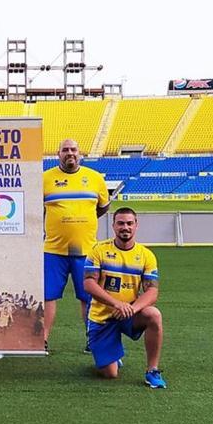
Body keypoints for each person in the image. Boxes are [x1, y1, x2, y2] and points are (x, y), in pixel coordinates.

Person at [82, 207, 167, 389]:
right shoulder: (98, 250)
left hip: (129, 314)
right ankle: (111, 355)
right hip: (102, 318)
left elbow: (152, 291)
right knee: (110, 374)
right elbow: (89, 284)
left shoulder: (146, 255)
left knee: (154, 315)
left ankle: (152, 370)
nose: (125, 227)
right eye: (120, 223)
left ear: (136, 225)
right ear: (113, 226)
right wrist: (117, 304)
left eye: (129, 223)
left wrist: (131, 308)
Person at [43, 138, 109, 353]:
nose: (70, 153)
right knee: (48, 296)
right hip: (53, 251)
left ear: (80, 153)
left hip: (87, 251)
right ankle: (42, 340)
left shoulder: (95, 178)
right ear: (58, 154)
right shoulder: (45, 178)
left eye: (73, 149)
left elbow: (103, 207)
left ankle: (93, 339)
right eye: (65, 150)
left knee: (89, 297)